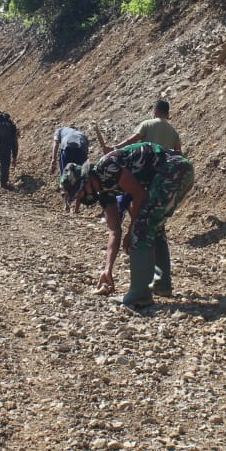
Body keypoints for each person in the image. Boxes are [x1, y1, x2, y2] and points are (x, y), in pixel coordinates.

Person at [60, 142, 195, 310]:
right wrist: (107, 270)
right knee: (152, 225)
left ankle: (139, 295)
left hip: (175, 169)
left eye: (78, 194)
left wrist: (132, 230)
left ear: (85, 181)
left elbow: (139, 194)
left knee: (142, 226)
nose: (80, 200)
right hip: (170, 174)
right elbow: (114, 231)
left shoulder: (107, 167)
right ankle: (161, 285)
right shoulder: (104, 192)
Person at [113, 98, 182, 152]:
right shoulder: (174, 133)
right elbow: (179, 155)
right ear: (167, 114)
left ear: (155, 111)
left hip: (147, 165)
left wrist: (114, 148)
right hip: (164, 168)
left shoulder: (147, 124)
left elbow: (131, 141)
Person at [52, 125, 91, 211]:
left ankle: (66, 205)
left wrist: (53, 159)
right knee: (80, 176)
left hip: (67, 146)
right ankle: (76, 208)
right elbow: (87, 147)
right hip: (82, 147)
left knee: (66, 176)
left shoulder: (60, 130)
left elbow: (55, 142)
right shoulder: (81, 133)